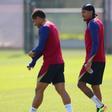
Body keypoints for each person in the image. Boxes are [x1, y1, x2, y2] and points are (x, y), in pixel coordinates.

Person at [27, 9, 73, 112]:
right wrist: (33, 62)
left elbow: (40, 48)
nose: (34, 24)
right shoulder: (52, 26)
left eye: (34, 21)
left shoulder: (44, 28)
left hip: (50, 64)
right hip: (59, 63)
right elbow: (45, 48)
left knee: (39, 89)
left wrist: (32, 52)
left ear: (39, 18)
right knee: (61, 90)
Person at [77, 4, 107, 112]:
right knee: (95, 86)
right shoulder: (98, 22)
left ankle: (100, 106)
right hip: (101, 59)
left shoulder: (92, 23)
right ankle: (99, 110)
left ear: (90, 12)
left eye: (84, 12)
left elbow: (95, 44)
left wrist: (89, 60)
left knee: (80, 84)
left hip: (93, 60)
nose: (82, 15)